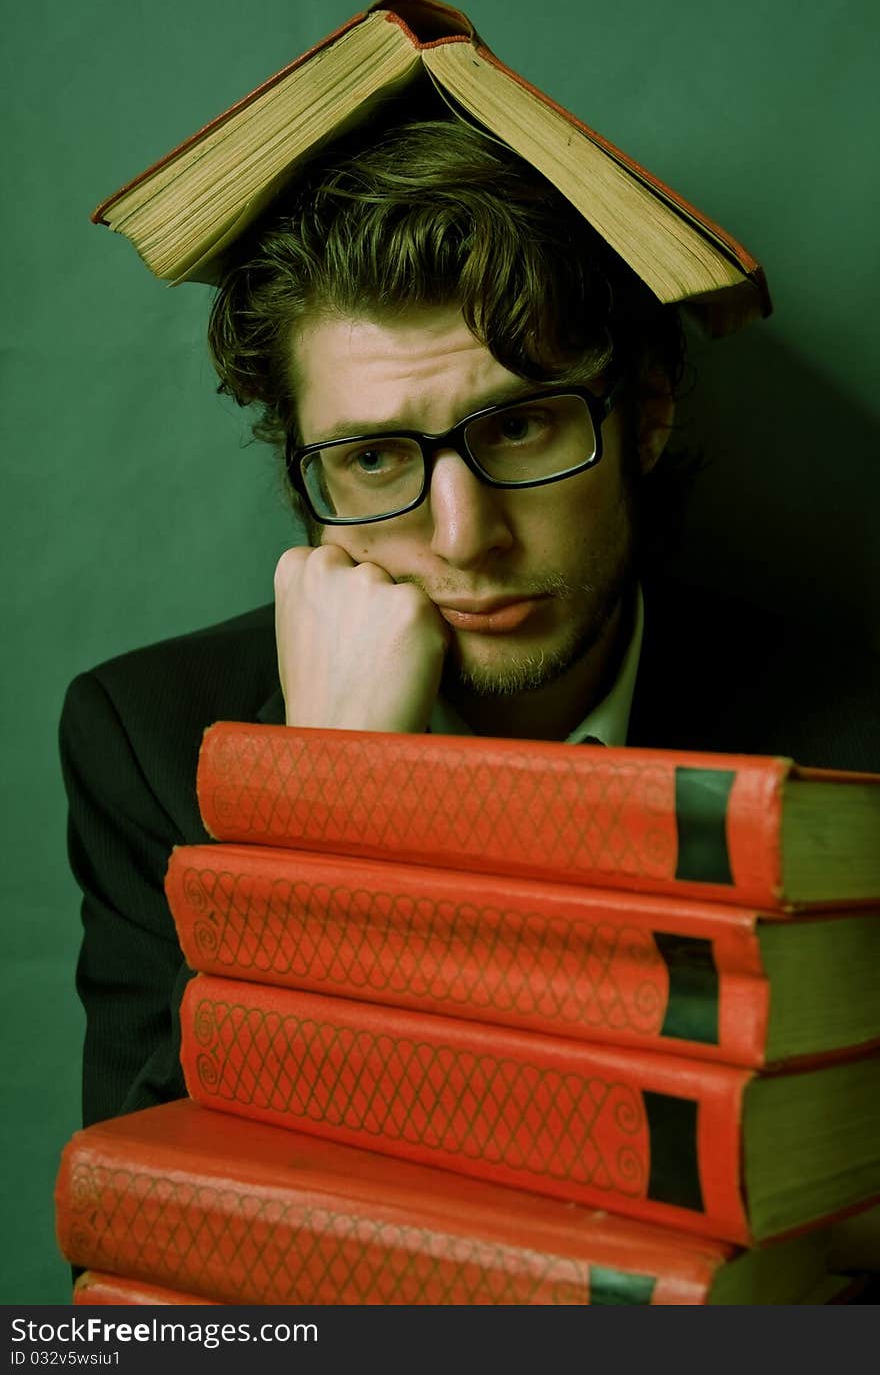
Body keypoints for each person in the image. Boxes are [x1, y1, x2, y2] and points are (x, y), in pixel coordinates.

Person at [60, 111, 880, 1132]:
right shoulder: (145, 739)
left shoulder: (855, 753)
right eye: (372, 458)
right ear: (302, 485)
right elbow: (169, 1242)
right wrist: (325, 800)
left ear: (649, 412)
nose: (463, 535)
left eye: (522, 424)